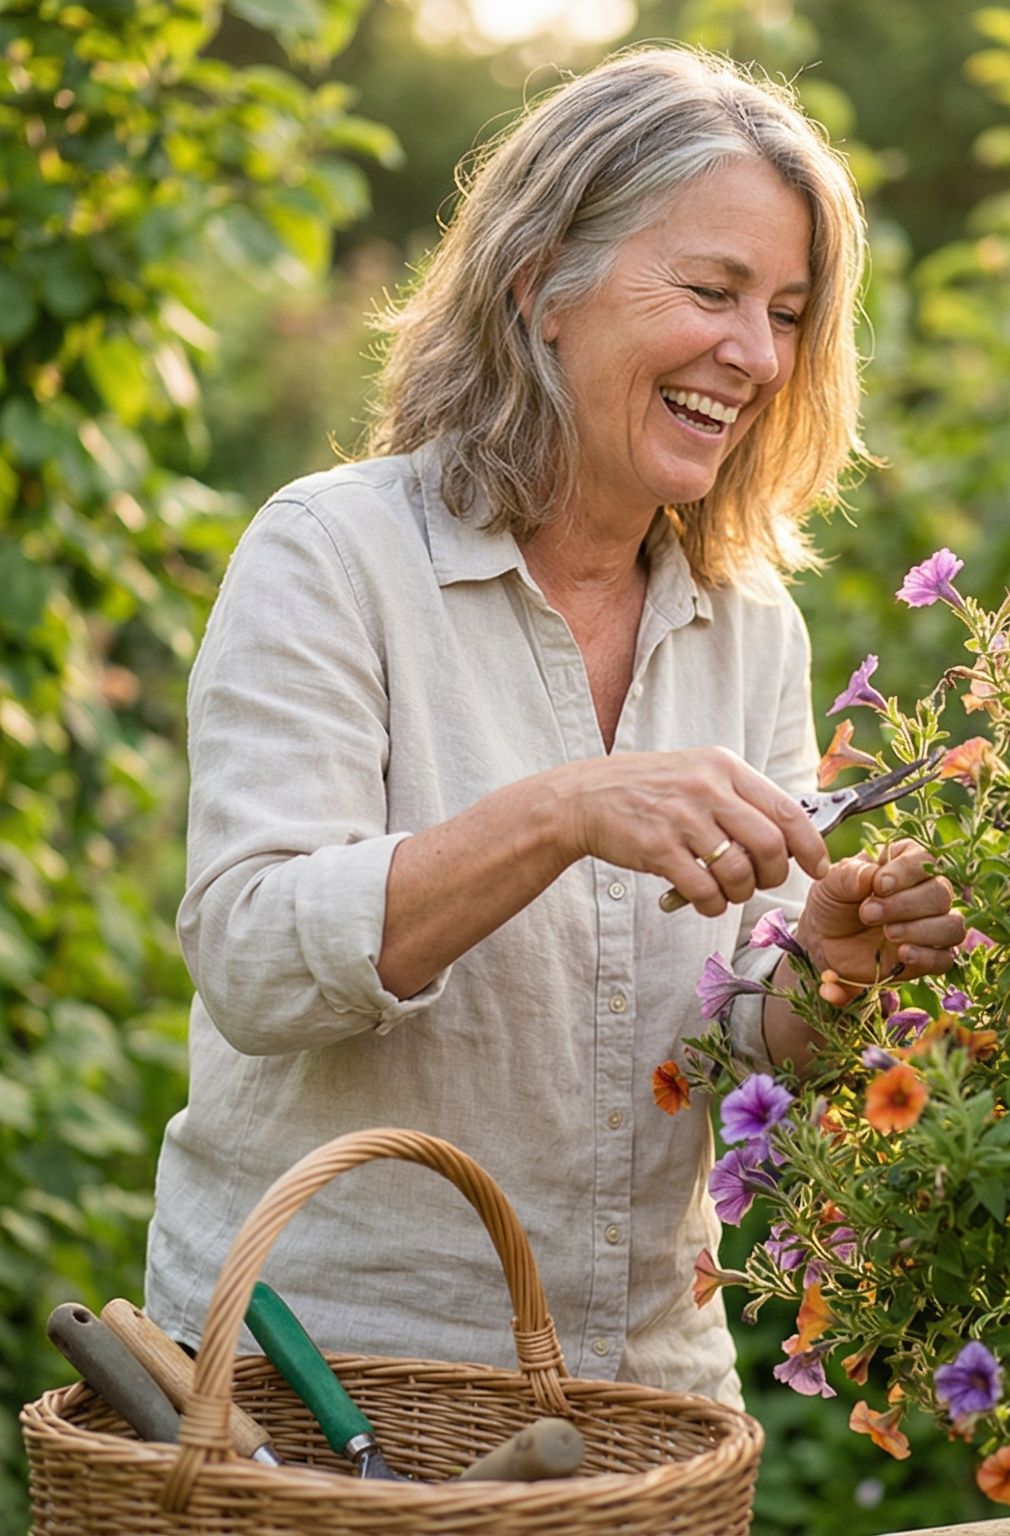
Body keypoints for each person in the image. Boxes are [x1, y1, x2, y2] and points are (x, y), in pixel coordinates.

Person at [146, 48, 962, 1405]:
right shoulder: (332, 557)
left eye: (787, 312)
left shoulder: (745, 617)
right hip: (325, 1388)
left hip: (643, 1394)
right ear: (541, 288)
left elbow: (734, 1031)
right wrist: (561, 810)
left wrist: (821, 965)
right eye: (709, 290)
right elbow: (250, 954)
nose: (755, 354)